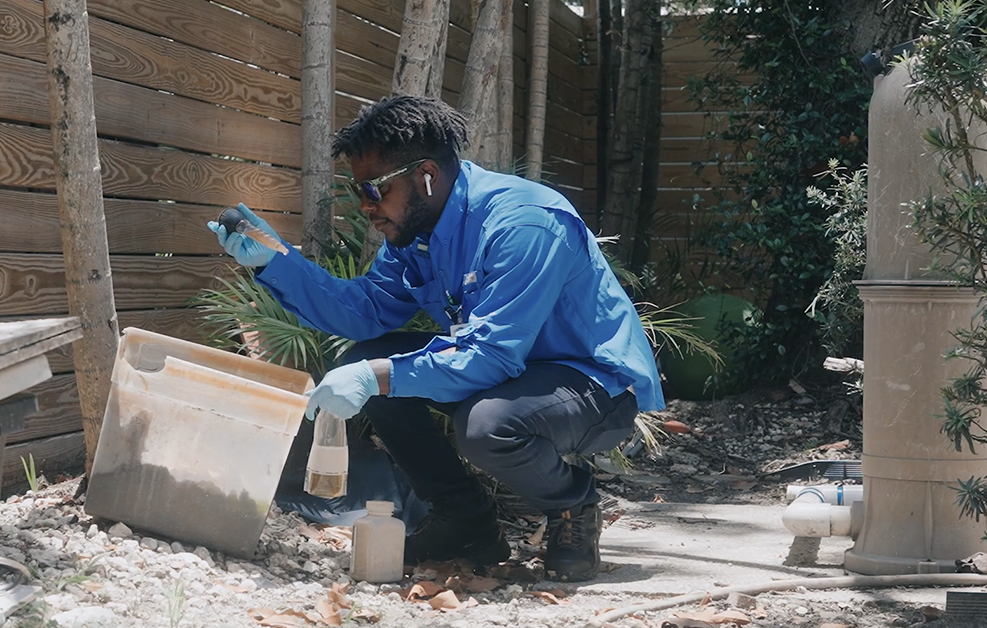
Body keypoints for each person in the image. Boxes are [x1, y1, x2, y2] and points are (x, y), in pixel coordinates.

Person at [207, 95, 663, 581]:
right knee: (370, 358)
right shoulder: (416, 233)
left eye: (372, 189)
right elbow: (365, 312)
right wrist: (274, 261)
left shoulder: (526, 224)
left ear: (425, 174)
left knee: (484, 424)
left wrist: (378, 377)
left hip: (594, 385)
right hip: (509, 371)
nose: (365, 207)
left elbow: (491, 355)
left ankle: (573, 505)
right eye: (357, 189)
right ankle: (466, 521)